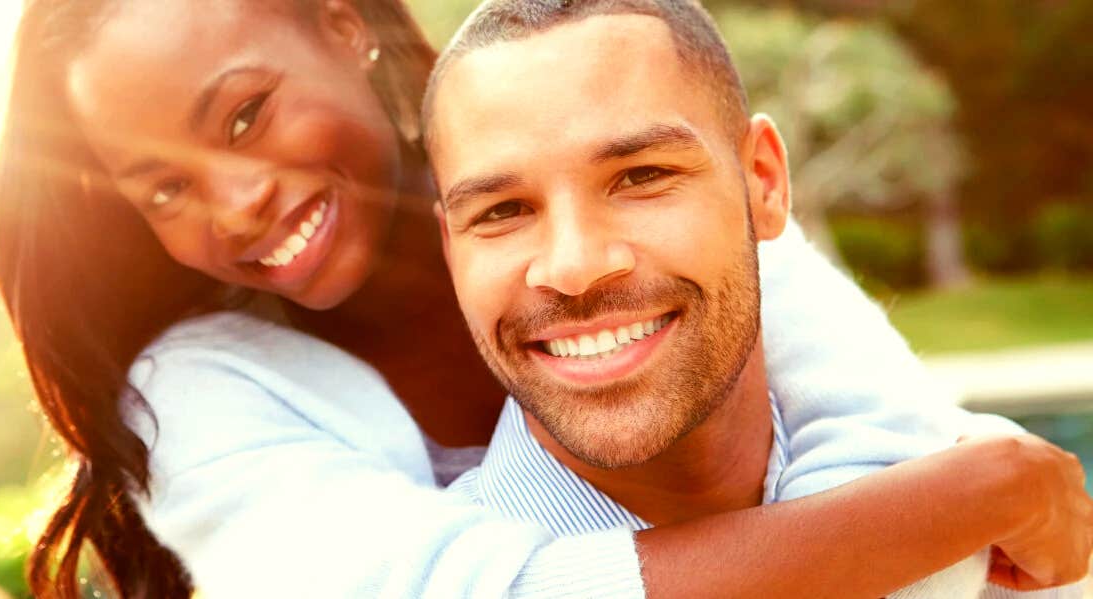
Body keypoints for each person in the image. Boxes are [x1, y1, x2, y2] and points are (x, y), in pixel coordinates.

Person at [0, 0, 1088, 597]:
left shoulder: (641, 173)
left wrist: (927, 532)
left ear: (338, 24)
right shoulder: (200, 392)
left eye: (243, 117)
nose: (234, 202)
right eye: (164, 185)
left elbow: (878, 426)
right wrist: (986, 485)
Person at [422, 1, 1092, 597]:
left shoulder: (1004, 542)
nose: (573, 267)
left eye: (642, 175)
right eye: (502, 210)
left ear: (764, 184)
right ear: (452, 248)